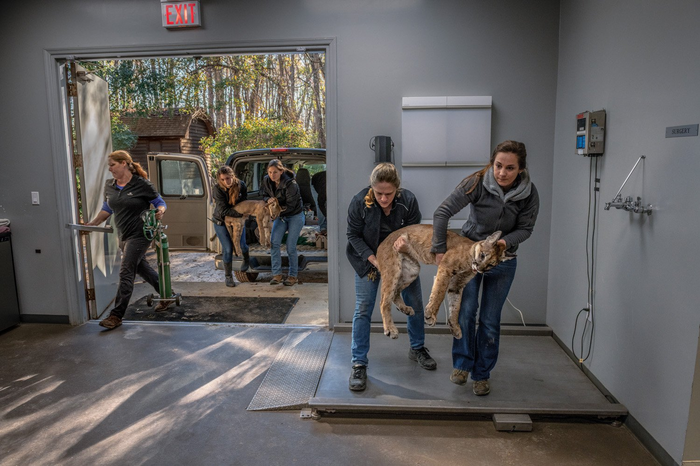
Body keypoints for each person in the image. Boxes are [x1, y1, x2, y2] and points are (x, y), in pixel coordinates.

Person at [431, 140, 540, 396]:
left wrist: (502, 243)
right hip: (470, 257)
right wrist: (439, 250)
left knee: (490, 320)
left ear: (521, 169)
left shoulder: (529, 193)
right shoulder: (476, 182)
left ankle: (482, 374)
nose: (502, 173)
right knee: (466, 312)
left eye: (510, 168)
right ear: (492, 163)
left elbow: (526, 229)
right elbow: (442, 212)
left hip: (503, 261)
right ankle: (462, 365)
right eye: (498, 165)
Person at [346, 162, 437, 392]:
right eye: (379, 193)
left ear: (397, 188)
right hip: (368, 261)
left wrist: (407, 247)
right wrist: (374, 260)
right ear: (372, 188)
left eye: (389, 193)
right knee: (363, 308)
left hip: (402, 259)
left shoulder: (409, 201)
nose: (384, 198)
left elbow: (416, 233)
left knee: (415, 302)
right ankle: (358, 363)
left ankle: (417, 348)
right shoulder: (359, 202)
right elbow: (353, 235)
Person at [86, 150, 169, 330]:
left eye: (112, 165)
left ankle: (116, 315)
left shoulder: (141, 184)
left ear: (124, 163)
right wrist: (92, 224)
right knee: (141, 268)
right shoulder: (110, 186)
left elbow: (160, 202)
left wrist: (160, 211)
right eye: (109, 166)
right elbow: (107, 208)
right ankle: (167, 294)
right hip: (123, 235)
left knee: (126, 271)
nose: (110, 169)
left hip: (140, 235)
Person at [261, 159, 305, 286]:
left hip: (294, 215)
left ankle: (293, 276)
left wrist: (275, 211)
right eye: (270, 172)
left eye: (275, 172)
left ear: (281, 171)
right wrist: (268, 199)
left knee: (290, 246)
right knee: (274, 243)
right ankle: (277, 275)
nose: (272, 175)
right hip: (280, 216)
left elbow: (291, 205)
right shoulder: (266, 180)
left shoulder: (291, 183)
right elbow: (263, 194)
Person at [212, 165, 249, 287]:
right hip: (221, 222)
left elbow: (244, 202)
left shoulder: (241, 185)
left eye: (228, 178)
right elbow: (223, 211)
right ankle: (228, 277)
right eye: (222, 179)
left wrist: (245, 213)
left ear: (233, 176)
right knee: (228, 249)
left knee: (242, 245)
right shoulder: (217, 189)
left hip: (238, 221)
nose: (226, 182)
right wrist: (241, 214)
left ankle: (246, 260)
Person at [311, 170, 327, 234]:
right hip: (315, 181)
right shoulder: (323, 191)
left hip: (323, 180)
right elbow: (320, 204)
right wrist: (327, 215)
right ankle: (323, 228)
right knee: (320, 209)